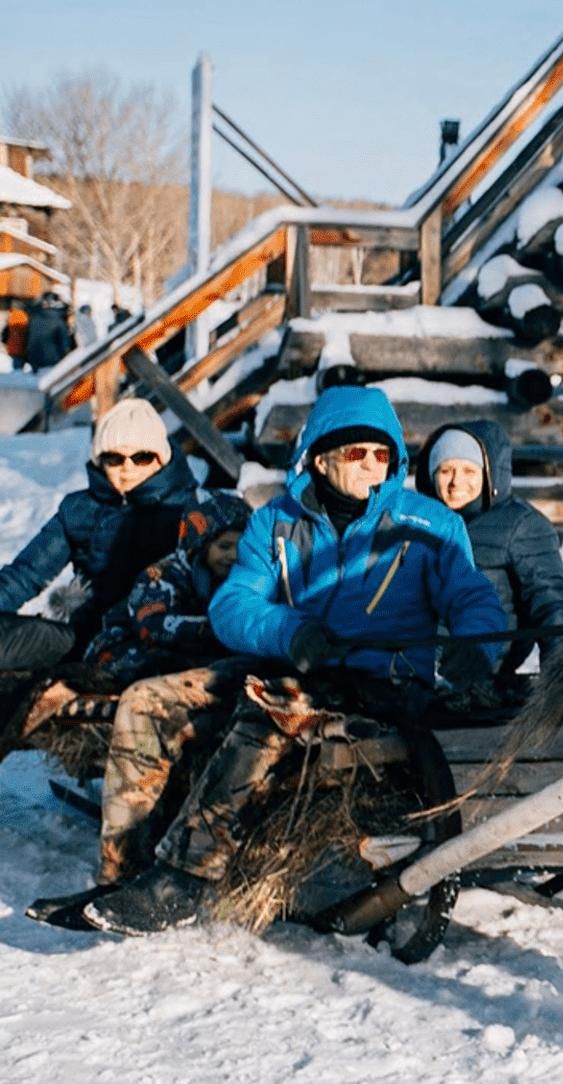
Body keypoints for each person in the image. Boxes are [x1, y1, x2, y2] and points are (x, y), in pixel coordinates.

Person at [71, 385, 507, 936]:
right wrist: (289, 631)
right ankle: (121, 880)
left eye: (382, 454)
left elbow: (472, 598)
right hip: (290, 660)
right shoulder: (274, 521)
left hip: (378, 680)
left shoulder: (428, 525)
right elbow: (234, 604)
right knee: (146, 700)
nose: (373, 464)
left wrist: (476, 648)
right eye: (357, 454)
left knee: (267, 712)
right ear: (321, 458)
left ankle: (185, 879)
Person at [0, 399, 201, 673]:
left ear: (161, 459)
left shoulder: (189, 511)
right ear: (100, 461)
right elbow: (25, 574)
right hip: (85, 634)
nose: (128, 468)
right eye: (115, 458)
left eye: (141, 457)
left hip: (156, 632)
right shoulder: (80, 510)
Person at [417, 421, 563, 683]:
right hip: (415, 665)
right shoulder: (418, 520)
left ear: (490, 473)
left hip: (484, 669)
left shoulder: (521, 525)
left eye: (469, 470)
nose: (456, 482)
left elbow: (551, 602)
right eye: (446, 470)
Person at [80, 494, 251, 687]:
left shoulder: (241, 578)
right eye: (224, 547)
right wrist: (218, 628)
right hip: (124, 647)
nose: (233, 555)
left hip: (191, 650)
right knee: (159, 663)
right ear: (201, 546)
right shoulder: (161, 576)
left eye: (242, 547)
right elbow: (152, 627)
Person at [24, 291, 76, 373]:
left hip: (34, 360)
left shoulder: (34, 318)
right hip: (54, 361)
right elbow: (65, 344)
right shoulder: (59, 321)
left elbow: (27, 338)